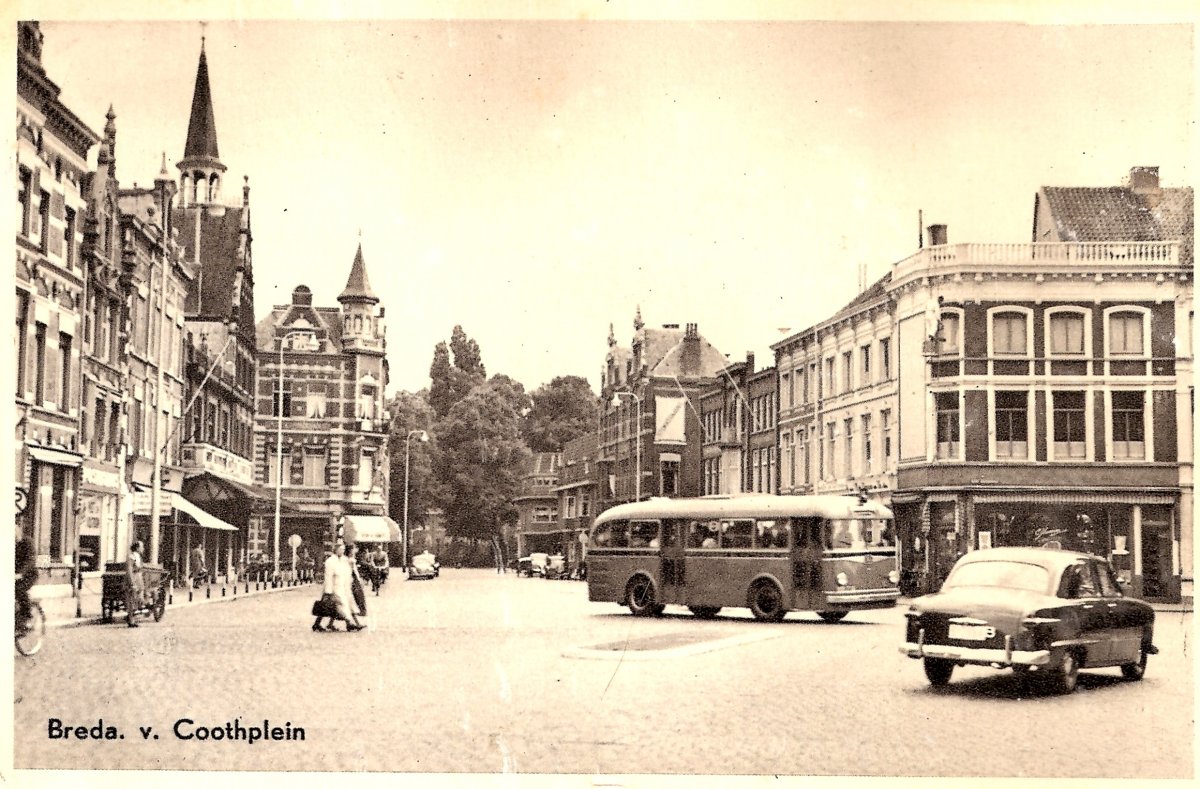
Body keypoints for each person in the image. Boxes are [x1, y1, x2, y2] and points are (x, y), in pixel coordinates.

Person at [315, 543, 362, 632]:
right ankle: (349, 623)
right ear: (336, 550)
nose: (342, 551)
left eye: (343, 549)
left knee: (330, 607)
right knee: (341, 604)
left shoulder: (343, 560)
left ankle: (317, 624)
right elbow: (328, 576)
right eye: (341, 549)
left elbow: (346, 572)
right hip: (334, 587)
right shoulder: (330, 561)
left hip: (342, 586)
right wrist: (328, 590)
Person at [15, 523, 36, 632]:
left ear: (19, 529)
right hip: (15, 575)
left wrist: (21, 573)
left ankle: (28, 617)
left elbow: (30, 560)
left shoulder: (27, 542)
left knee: (19, 590)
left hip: (29, 575)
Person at [125, 540, 146, 628]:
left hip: (138, 578)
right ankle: (131, 620)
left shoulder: (138, 556)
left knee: (138, 599)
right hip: (134, 579)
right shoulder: (132, 556)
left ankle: (133, 618)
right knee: (132, 600)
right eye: (142, 547)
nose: (143, 549)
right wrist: (132, 583)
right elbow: (129, 570)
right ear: (137, 548)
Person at [348, 544, 368, 619]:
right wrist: (359, 580)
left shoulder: (351, 558)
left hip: (352, 578)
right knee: (358, 594)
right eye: (354, 548)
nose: (355, 550)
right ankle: (362, 610)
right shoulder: (351, 560)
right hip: (353, 579)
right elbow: (355, 571)